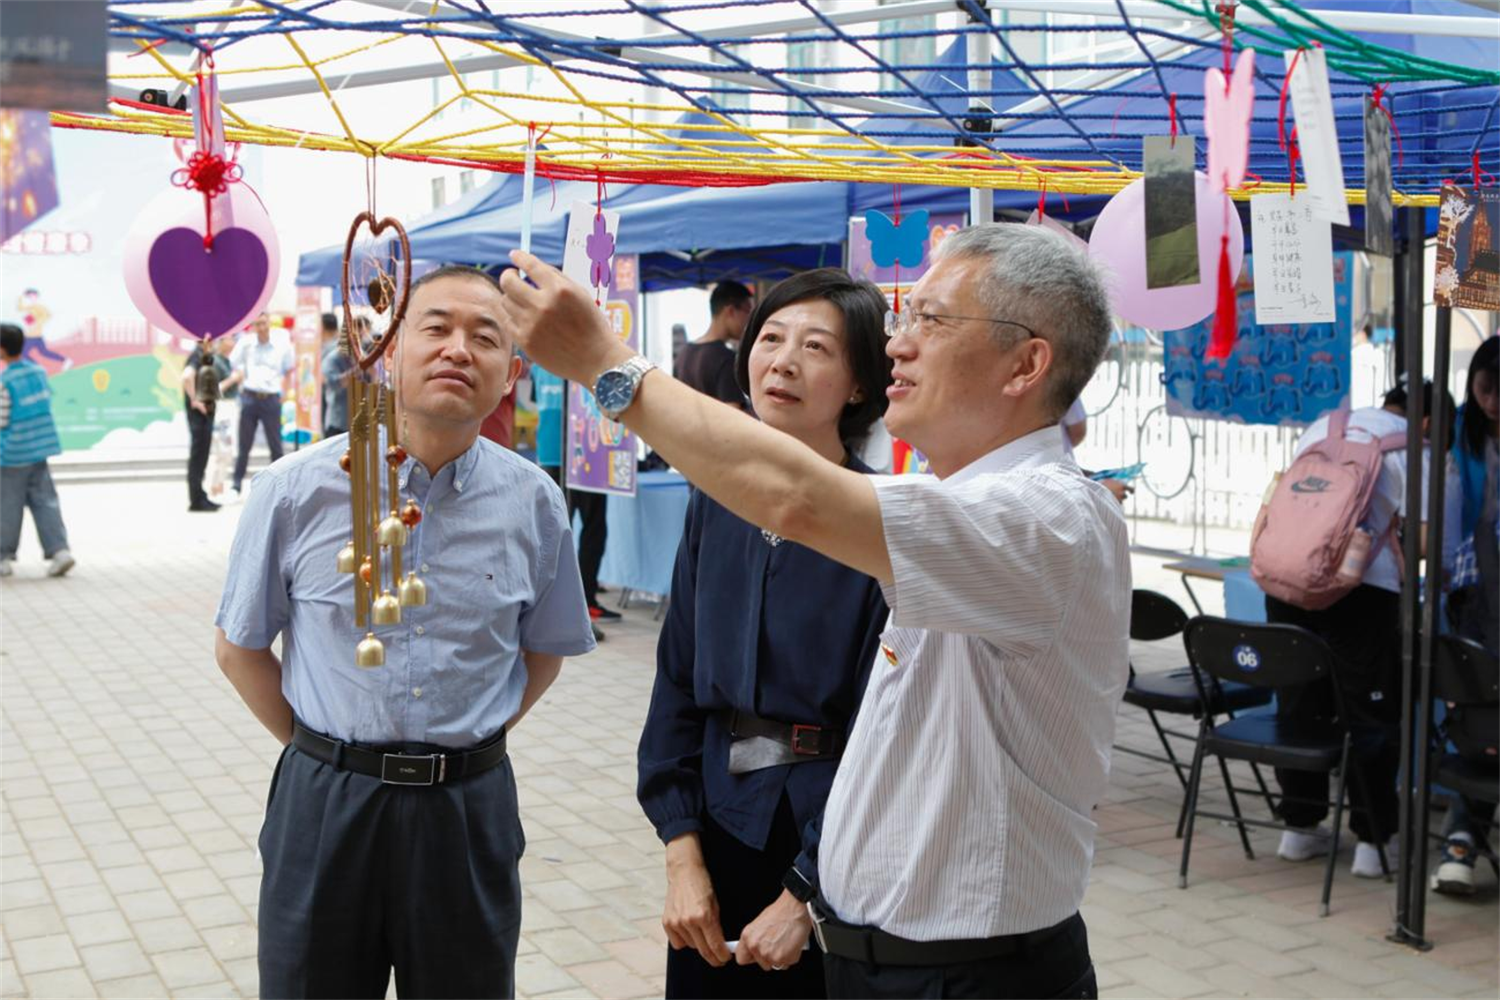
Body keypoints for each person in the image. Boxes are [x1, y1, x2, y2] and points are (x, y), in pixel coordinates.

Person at [500, 223, 1128, 1000]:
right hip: (875, 951)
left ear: (1026, 363)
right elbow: (685, 683)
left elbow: (794, 495)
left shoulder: (1041, 519)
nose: (900, 343)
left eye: (930, 320)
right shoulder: (951, 507)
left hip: (971, 973)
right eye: (903, 320)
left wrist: (604, 362)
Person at [215, 265, 595, 999]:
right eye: (437, 327)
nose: (460, 349)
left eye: (486, 338)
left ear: (511, 372)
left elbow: (544, 650)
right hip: (327, 804)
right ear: (387, 348)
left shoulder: (534, 502)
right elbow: (239, 647)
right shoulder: (296, 490)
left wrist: (470, 733)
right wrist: (321, 748)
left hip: (466, 810)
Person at [638, 269, 892, 998]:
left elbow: (889, 734)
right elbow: (677, 680)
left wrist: (805, 894)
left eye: (816, 347)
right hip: (720, 820)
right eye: (771, 338)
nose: (782, 361)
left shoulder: (882, 525)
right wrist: (681, 855)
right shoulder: (714, 501)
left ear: (857, 385)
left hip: (834, 838)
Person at [1265, 380, 1451, 879]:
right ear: (1430, 422)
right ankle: (1372, 842)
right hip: (1362, 593)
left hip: (1287, 581)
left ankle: (1298, 830)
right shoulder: (1414, 447)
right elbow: (1426, 545)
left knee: (1300, 702)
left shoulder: (1325, 425)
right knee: (1369, 715)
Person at [1435, 335, 1500, 895]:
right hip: (1477, 595)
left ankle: (1463, 837)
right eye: (1485, 391)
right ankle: (1462, 839)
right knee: (1480, 719)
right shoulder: (1462, 436)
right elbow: (1452, 521)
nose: (1493, 404)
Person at [0, 322, 74, 578]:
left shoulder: (5, 381)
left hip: (12, 455)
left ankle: (3, 557)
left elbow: (2, 420)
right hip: (40, 449)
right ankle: (60, 551)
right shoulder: (39, 373)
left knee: (7, 505)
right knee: (45, 502)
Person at [230, 312, 293, 495]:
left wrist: (285, 392)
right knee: (244, 445)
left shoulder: (281, 343)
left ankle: (281, 486)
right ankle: (236, 485)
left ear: (269, 323)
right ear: (253, 326)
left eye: (264, 323)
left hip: (271, 398)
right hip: (249, 397)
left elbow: (289, 369)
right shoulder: (246, 343)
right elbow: (233, 362)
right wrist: (241, 380)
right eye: (257, 324)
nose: (262, 327)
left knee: (275, 444)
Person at [181, 336, 240, 512]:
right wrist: (195, 400)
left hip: (204, 416)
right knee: (198, 457)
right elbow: (186, 377)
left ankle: (199, 496)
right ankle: (196, 500)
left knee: (201, 457)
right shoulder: (197, 355)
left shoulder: (203, 357)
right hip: (199, 417)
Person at [676, 280, 753, 409]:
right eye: (748, 312)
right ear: (731, 311)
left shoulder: (684, 353)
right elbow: (732, 416)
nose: (748, 321)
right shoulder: (726, 359)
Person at [205, 333, 244, 501]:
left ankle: (219, 486)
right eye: (230, 338)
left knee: (228, 449)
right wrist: (233, 379)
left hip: (231, 405)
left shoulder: (227, 361)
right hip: (222, 407)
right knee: (222, 448)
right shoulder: (215, 361)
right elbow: (214, 389)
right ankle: (214, 487)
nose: (233, 342)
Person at [320, 312, 351, 438]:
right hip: (341, 406)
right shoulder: (334, 347)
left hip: (337, 407)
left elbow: (328, 380)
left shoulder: (331, 351)